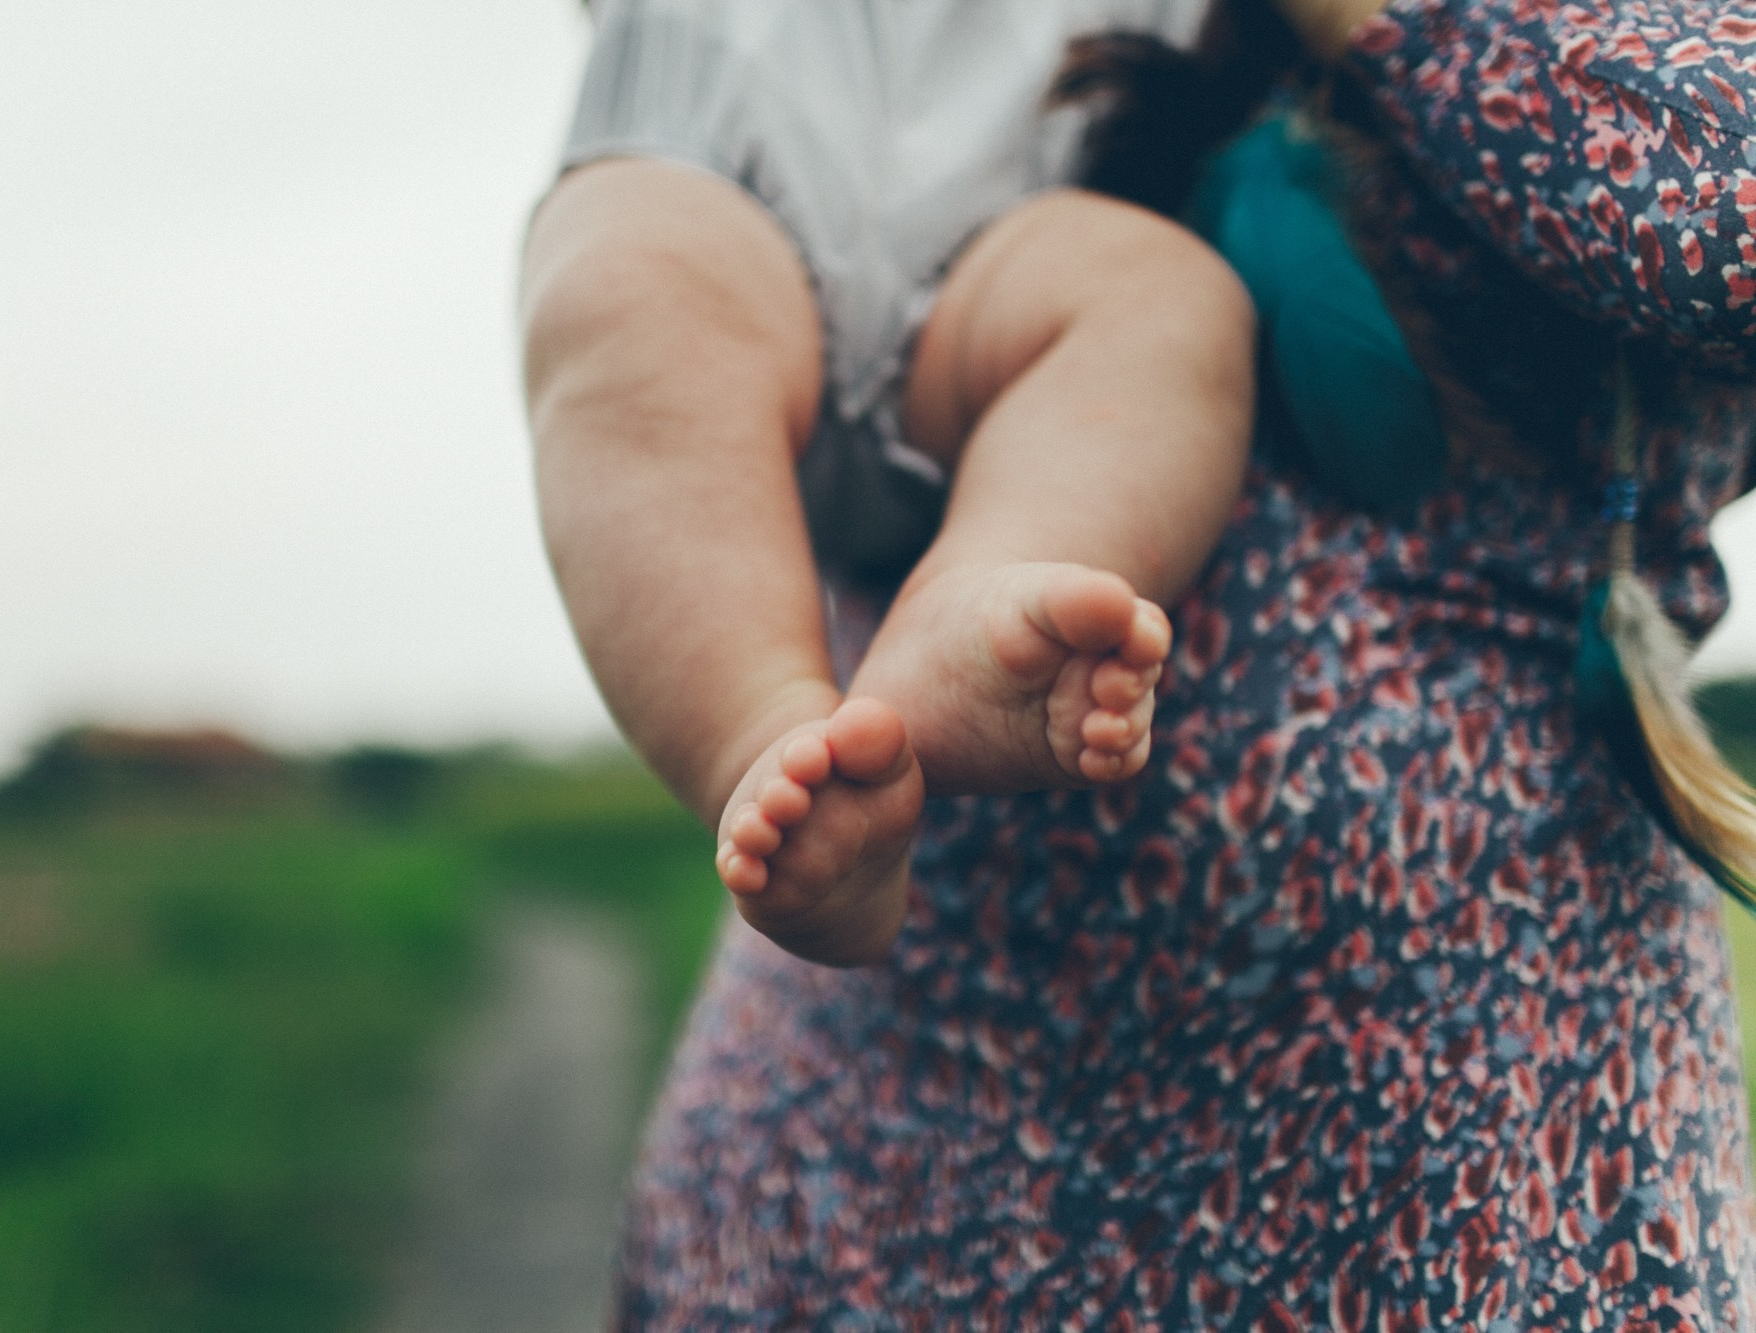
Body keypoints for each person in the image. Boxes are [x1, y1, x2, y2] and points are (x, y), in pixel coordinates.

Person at [601, 0, 1756, 1321]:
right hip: (897, 1092)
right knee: (632, 298)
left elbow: (1721, 232)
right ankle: (755, 727)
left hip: (1439, 1139)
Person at [520, 0, 1255, 967]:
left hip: (1025, 214)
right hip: (720, 146)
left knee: (1168, 300)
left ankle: (982, 597)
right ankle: (762, 723)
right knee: (627, 292)